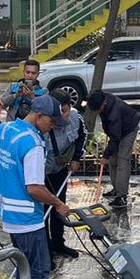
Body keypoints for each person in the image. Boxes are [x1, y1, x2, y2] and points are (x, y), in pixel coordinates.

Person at [0, 92, 73, 279]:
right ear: (39, 116)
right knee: (39, 270)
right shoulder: (33, 144)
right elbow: (34, 187)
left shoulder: (7, 129)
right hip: (26, 218)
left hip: (7, 214)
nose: (53, 127)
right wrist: (58, 204)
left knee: (24, 267)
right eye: (52, 122)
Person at [44, 90, 87, 260]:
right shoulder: (43, 123)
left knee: (59, 208)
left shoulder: (76, 117)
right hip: (42, 174)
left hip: (60, 170)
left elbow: (82, 137)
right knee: (43, 211)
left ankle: (58, 243)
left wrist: (76, 158)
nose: (63, 115)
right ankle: (45, 249)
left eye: (66, 110)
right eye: (58, 111)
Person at [85, 89, 140, 209]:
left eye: (98, 109)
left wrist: (105, 156)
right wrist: (108, 156)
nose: (97, 112)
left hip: (129, 129)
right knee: (112, 161)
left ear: (103, 103)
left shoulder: (114, 111)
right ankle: (116, 190)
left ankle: (122, 196)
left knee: (122, 161)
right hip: (117, 131)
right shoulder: (102, 100)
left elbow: (116, 137)